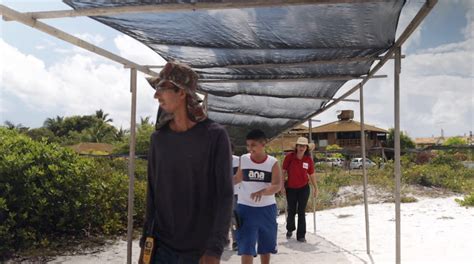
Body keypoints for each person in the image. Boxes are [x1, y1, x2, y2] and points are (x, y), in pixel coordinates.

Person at [139, 61, 234, 264]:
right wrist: (145, 245)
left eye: (161, 89)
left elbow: (225, 195)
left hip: (199, 252)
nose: (156, 96)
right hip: (161, 250)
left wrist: (214, 249)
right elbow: (152, 195)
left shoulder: (215, 136)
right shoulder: (158, 139)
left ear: (181, 92)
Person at [233, 129, 282, 264]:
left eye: (253, 145)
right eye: (248, 145)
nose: (250, 149)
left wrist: (263, 192)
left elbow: (277, 185)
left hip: (266, 209)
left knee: (266, 245)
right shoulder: (243, 159)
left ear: (263, 144)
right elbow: (238, 178)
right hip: (245, 208)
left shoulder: (273, 162)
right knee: (246, 246)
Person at [282, 137, 318, 243]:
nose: (302, 148)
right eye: (300, 146)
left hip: (304, 188)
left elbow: (312, 174)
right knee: (291, 210)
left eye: (304, 146)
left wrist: (316, 188)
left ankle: (301, 235)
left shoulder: (308, 160)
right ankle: (290, 229)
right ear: (296, 147)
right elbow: (283, 171)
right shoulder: (289, 157)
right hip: (291, 188)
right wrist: (282, 186)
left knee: (301, 211)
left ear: (306, 148)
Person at [231, 143, 240, 251]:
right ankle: (235, 241)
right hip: (228, 195)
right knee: (233, 218)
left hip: (241, 193)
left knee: (240, 217)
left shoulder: (239, 160)